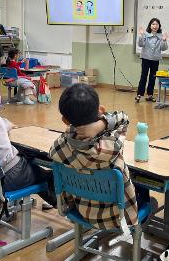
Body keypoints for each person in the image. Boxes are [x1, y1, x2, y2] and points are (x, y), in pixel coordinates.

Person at [50, 83, 149, 230]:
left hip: (82, 211)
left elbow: (53, 150)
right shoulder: (112, 144)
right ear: (100, 110)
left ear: (64, 120)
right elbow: (123, 118)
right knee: (146, 195)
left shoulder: (59, 147)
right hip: (119, 216)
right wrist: (102, 123)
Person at [135, 18, 168, 103]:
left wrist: (164, 40)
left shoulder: (161, 36)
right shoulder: (145, 34)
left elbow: (163, 48)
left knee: (152, 78)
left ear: (159, 26)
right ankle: (139, 94)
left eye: (157, 24)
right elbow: (140, 44)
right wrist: (142, 35)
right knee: (143, 76)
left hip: (155, 59)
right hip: (145, 58)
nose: (155, 26)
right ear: (150, 25)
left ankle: (150, 95)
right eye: (153, 24)